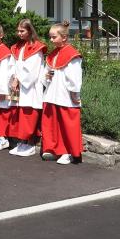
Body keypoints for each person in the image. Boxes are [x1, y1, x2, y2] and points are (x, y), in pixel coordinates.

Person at [41, 20, 83, 165]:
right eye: (50, 37)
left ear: (64, 37)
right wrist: (46, 77)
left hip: (65, 96)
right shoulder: (52, 54)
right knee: (53, 125)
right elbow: (45, 74)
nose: (51, 40)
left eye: (54, 37)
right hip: (52, 94)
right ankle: (53, 149)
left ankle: (68, 152)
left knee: (67, 125)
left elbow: (75, 77)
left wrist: (74, 93)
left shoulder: (72, 55)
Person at [8, 19, 47, 157]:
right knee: (18, 116)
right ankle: (22, 142)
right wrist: (13, 78)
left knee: (28, 115)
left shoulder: (36, 48)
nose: (19, 33)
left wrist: (18, 79)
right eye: (18, 31)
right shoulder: (16, 47)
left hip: (30, 88)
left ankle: (30, 144)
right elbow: (12, 65)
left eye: (22, 31)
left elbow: (32, 71)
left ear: (29, 31)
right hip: (18, 85)